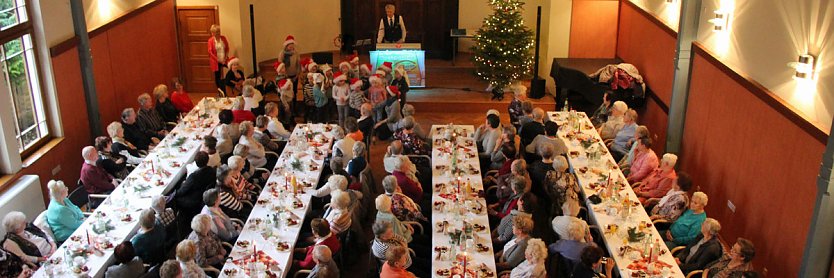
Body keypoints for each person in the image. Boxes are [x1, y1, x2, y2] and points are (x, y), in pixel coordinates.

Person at [176, 151, 217, 220]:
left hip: (195, 200)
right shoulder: (212, 170)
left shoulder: (194, 176)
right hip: (203, 196)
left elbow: (181, 192)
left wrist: (177, 189)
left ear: (196, 163)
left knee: (176, 197)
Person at [278, 35, 301, 112]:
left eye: (292, 46)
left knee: (294, 92)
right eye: (290, 46)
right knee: (287, 92)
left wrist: (297, 74)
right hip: (286, 76)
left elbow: (298, 64)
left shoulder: (296, 53)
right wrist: (285, 76)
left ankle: (294, 108)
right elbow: (280, 65)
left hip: (294, 75)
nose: (291, 48)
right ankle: (286, 108)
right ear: (286, 46)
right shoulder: (282, 54)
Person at [208, 24, 230, 92]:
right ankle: (220, 91)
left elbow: (227, 48)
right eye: (216, 32)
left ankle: (230, 86)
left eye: (218, 31)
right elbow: (210, 52)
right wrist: (219, 60)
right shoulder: (211, 40)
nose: (218, 33)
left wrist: (225, 57)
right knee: (217, 76)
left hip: (224, 58)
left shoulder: (223, 38)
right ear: (212, 33)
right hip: (216, 61)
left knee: (231, 68)